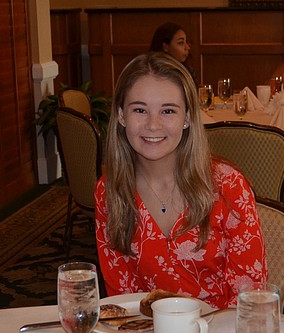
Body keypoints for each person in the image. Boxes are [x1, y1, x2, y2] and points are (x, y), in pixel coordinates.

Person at [95, 53, 267, 309]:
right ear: (121, 115)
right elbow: (124, 299)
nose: (153, 125)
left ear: (187, 118)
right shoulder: (109, 191)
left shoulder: (228, 186)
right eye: (140, 110)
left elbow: (250, 298)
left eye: (168, 111)